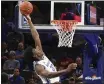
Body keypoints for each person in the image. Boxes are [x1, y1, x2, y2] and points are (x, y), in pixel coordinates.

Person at [23, 15, 77, 84]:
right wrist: (66, 70)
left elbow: (36, 36)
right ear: (35, 55)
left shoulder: (41, 54)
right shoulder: (38, 67)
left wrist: (29, 21)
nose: (37, 48)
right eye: (35, 50)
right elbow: (49, 75)